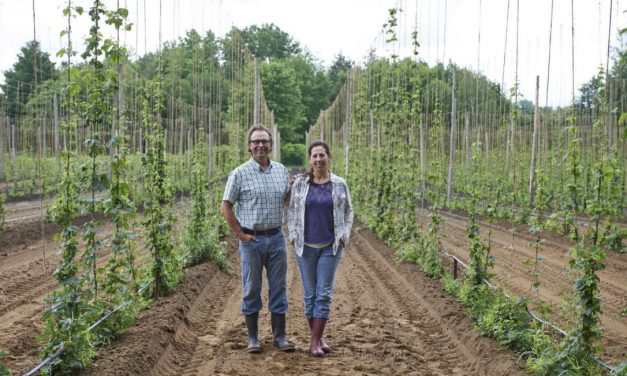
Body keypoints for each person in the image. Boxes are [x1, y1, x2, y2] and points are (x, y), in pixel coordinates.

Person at [221, 124, 295, 353]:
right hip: (251, 241)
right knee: (252, 287)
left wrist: (294, 186)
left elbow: (287, 200)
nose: (260, 145)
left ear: (271, 145)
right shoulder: (239, 173)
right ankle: (253, 338)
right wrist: (240, 234)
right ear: (249, 146)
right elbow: (226, 206)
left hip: (276, 238)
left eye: (265, 141)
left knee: (279, 288)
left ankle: (279, 337)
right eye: (256, 141)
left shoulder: (281, 171)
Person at [287, 140, 354, 357]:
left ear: (329, 157)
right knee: (309, 294)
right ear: (310, 159)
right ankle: (318, 336)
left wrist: (344, 235)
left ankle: (314, 341)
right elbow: (291, 209)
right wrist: (293, 234)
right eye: (314, 156)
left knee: (323, 294)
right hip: (305, 248)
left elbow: (348, 211)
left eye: (321, 155)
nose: (318, 159)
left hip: (330, 247)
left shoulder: (339, 184)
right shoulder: (300, 184)